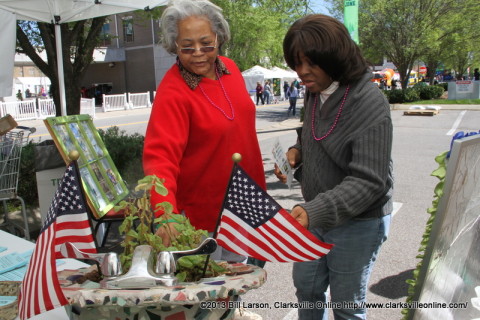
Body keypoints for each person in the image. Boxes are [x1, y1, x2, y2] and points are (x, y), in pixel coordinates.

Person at [275, 14, 393, 319]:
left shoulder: (369, 101)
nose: (302, 72)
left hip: (359, 220)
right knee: (308, 290)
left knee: (346, 305)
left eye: (310, 63)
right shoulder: (315, 90)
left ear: (335, 57)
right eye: (296, 63)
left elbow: (369, 182)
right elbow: (315, 133)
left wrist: (313, 211)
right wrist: (297, 152)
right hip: (317, 213)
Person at [143, 0, 266, 262]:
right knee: (208, 292)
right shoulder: (173, 90)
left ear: (219, 39)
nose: (198, 52)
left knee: (235, 284)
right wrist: (166, 213)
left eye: (206, 43)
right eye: (187, 46)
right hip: (202, 215)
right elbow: (160, 158)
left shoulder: (230, 69)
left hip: (242, 204)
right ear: (174, 45)